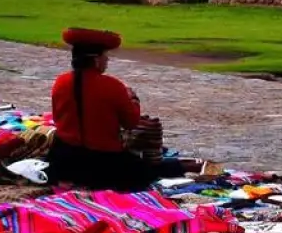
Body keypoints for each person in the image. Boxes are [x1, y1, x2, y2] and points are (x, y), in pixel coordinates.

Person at [47, 28, 189, 191]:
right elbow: (131, 122)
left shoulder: (60, 82)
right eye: (105, 56)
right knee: (146, 172)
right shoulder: (112, 86)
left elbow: (58, 118)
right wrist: (133, 100)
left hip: (64, 160)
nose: (107, 60)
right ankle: (188, 167)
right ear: (96, 60)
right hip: (103, 162)